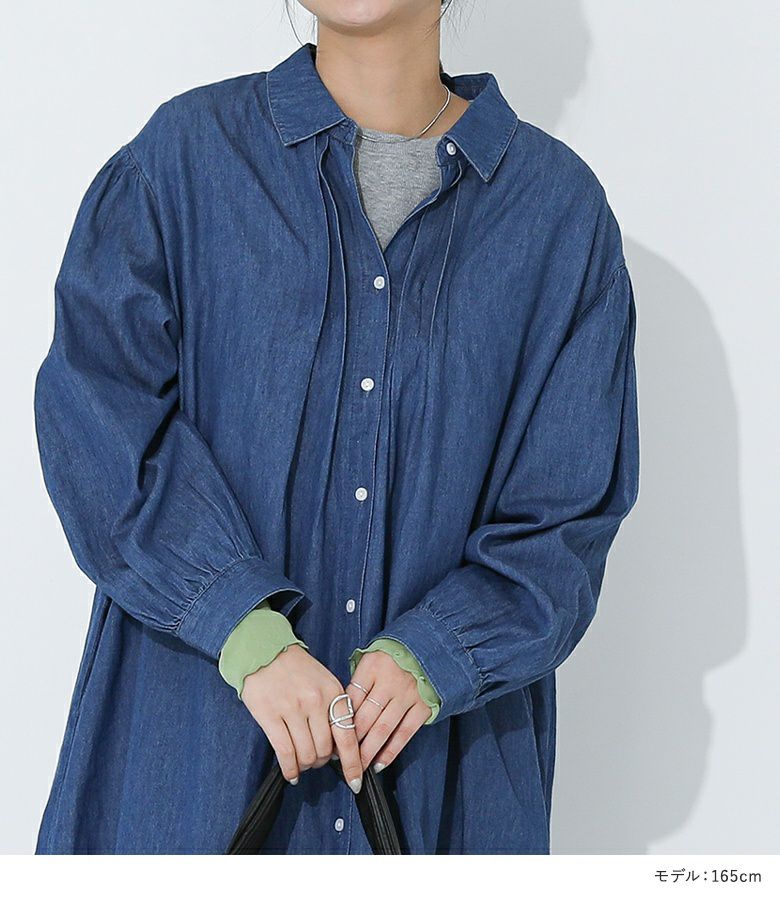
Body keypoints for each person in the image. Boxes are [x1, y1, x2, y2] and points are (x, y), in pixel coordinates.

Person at [33, 0, 639, 854]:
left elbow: (568, 512)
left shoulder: (559, 216)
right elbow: (99, 419)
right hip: (189, 754)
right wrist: (242, 625)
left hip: (439, 782)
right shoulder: (185, 160)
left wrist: (439, 654)